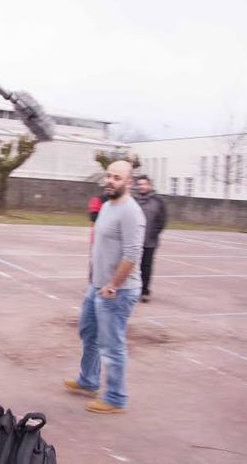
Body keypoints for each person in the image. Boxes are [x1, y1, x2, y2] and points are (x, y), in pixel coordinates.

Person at [63, 160, 145, 414]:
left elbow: (132, 255)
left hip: (117, 291)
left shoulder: (132, 212)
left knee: (112, 345)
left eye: (117, 177)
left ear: (129, 182)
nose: (111, 180)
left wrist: (113, 285)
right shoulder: (108, 205)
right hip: (97, 286)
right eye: (109, 176)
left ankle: (115, 398)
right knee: (88, 333)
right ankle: (88, 380)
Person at [134, 175, 167, 302]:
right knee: (131, 266)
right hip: (134, 240)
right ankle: (132, 290)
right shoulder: (133, 200)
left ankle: (144, 291)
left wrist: (154, 233)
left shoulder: (158, 201)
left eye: (144, 184)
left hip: (149, 241)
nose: (142, 186)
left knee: (146, 267)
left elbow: (162, 220)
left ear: (149, 186)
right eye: (140, 184)